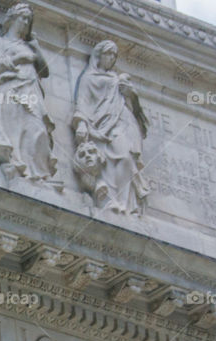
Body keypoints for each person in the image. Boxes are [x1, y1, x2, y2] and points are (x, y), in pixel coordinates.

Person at [0, 3, 57, 182]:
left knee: (39, 131)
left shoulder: (30, 45)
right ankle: (17, 166)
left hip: (31, 92)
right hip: (10, 92)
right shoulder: (0, 43)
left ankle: (38, 174)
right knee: (15, 131)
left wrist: (36, 48)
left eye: (29, 19)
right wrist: (19, 58)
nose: (26, 22)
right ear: (12, 19)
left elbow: (45, 71)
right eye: (23, 18)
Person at [72, 40, 150, 215]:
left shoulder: (117, 79)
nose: (112, 58)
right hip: (99, 126)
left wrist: (131, 94)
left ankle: (126, 206)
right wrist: (81, 125)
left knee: (126, 159)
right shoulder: (88, 78)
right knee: (107, 162)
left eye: (114, 55)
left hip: (123, 122)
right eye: (108, 53)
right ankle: (109, 201)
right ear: (99, 56)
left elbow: (137, 111)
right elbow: (82, 103)